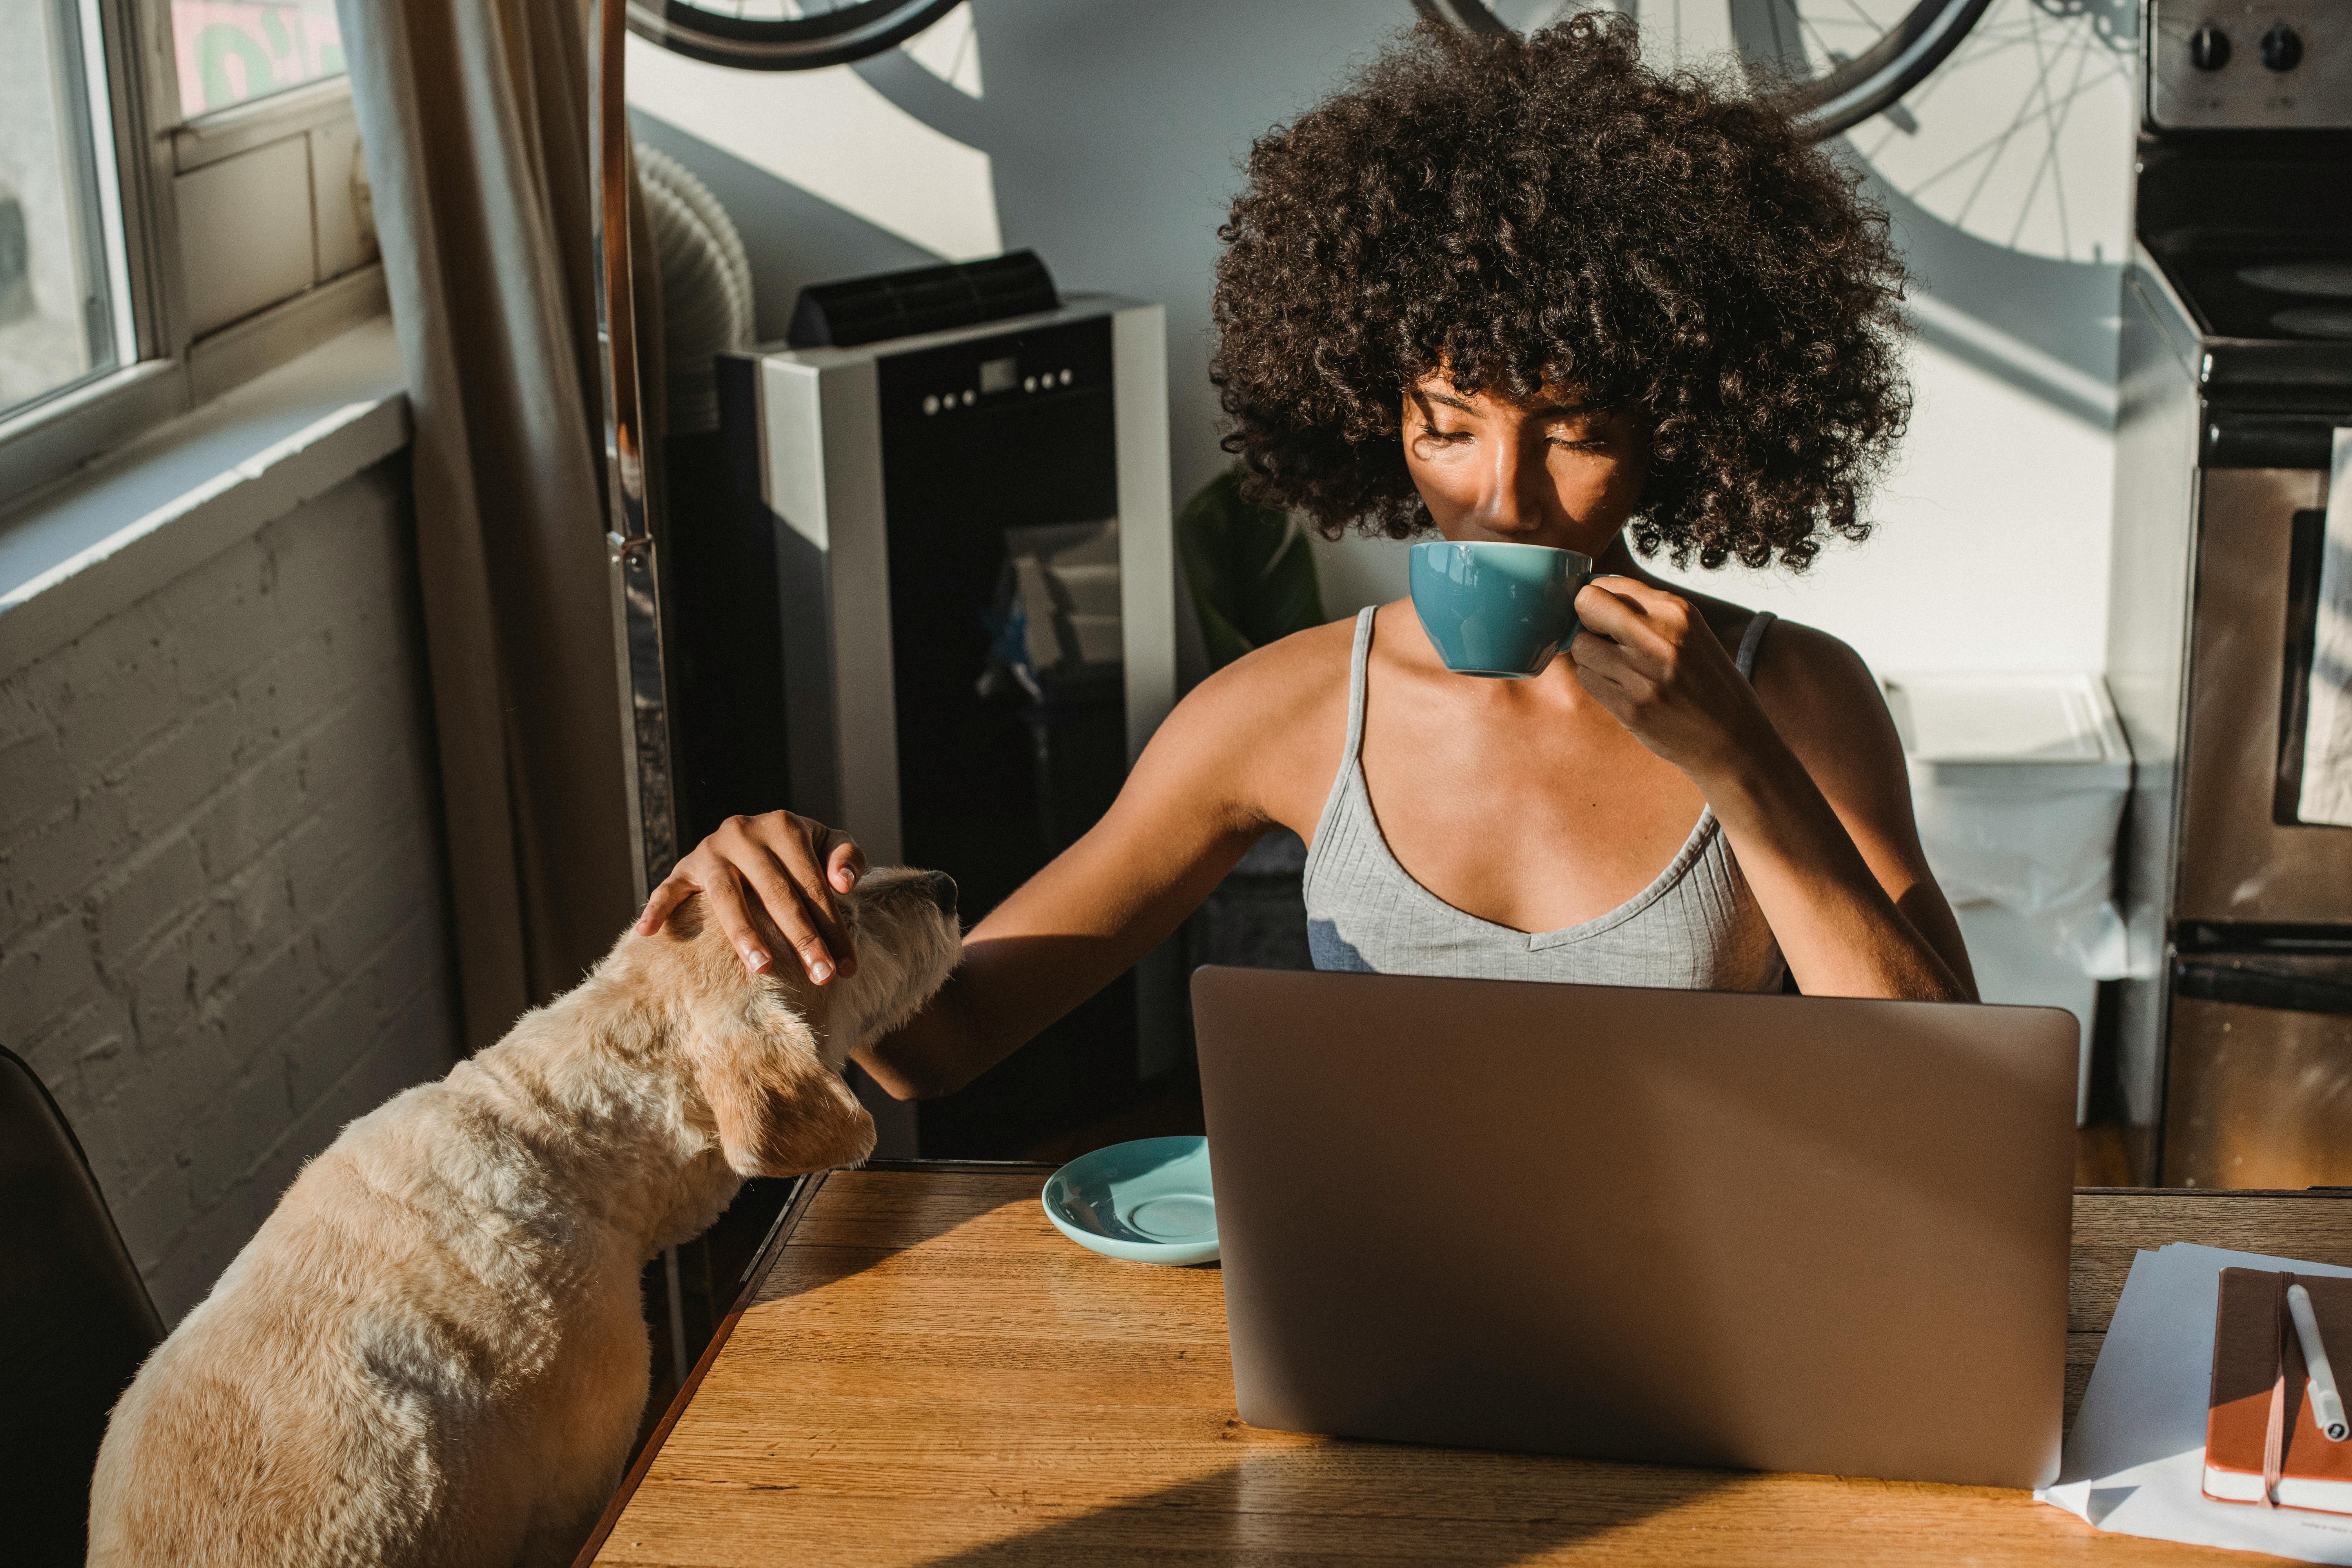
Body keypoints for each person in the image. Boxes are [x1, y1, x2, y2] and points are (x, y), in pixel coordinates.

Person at [635, 15, 1975, 1101]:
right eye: (1446, 428)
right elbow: (942, 1043)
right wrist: (792, 909)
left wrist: (1739, 761)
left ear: (1678, 431)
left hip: (1710, 1300)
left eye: (1572, 432)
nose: (1500, 498)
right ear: (1376, 411)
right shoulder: (1278, 715)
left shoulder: (1789, 696)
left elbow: (1952, 1094)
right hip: (1375, 1303)